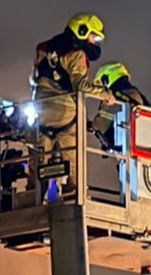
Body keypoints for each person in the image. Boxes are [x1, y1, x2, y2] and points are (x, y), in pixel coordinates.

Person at [30, 13, 105, 200]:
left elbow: (34, 80)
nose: (95, 43)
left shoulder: (43, 49)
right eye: (93, 37)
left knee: (38, 161)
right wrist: (107, 94)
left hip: (40, 115)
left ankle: (32, 195)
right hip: (66, 115)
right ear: (82, 31)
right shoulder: (77, 54)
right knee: (73, 159)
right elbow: (80, 86)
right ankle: (75, 194)